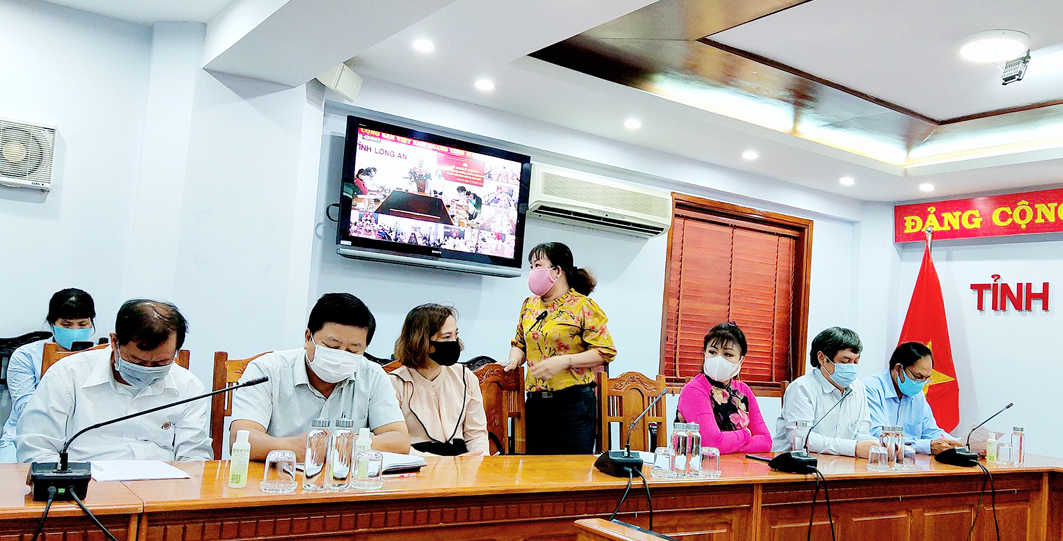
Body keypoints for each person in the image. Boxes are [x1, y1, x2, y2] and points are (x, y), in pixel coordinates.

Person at [17, 299, 211, 463]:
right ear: (114, 342)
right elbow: (36, 448)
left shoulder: (189, 387)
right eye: (137, 361)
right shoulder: (67, 375)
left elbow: (195, 457)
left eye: (161, 362)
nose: (147, 369)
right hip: (85, 485)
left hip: (160, 488)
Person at [230, 293, 409, 461]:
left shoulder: (373, 375)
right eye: (332, 347)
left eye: (353, 350)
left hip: (345, 480)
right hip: (277, 478)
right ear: (308, 337)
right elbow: (241, 438)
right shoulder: (267, 370)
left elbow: (399, 441)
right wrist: (292, 447)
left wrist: (347, 444)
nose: (341, 356)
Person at [505, 242, 616, 454]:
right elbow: (519, 343)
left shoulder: (583, 306)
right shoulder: (529, 305)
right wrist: (514, 360)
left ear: (557, 271)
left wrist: (564, 361)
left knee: (570, 469)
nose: (533, 271)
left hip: (573, 405)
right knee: (535, 469)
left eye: (538, 265)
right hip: (536, 405)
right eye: (531, 266)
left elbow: (605, 350)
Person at [0, 289, 96, 463]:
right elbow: (24, 408)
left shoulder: (100, 356)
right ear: (52, 323)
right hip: (24, 435)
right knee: (11, 474)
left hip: (82, 439)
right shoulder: (26, 355)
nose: (75, 330)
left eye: (82, 324)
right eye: (66, 325)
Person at [390, 304, 488, 456]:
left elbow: (476, 434)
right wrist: (443, 463)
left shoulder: (465, 377)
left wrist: (479, 456)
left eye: (456, 335)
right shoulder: (394, 383)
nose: (455, 342)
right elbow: (394, 446)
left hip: (463, 462)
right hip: (419, 463)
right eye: (447, 337)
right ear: (421, 340)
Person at [772, 327, 878, 457]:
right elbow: (802, 438)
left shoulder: (859, 388)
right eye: (845, 361)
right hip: (796, 463)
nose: (852, 367)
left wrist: (880, 447)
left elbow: (861, 434)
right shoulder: (802, 388)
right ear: (822, 358)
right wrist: (853, 448)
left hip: (842, 463)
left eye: (856, 361)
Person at [677, 323, 771, 454]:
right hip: (699, 465)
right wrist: (746, 434)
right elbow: (712, 443)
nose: (718, 359)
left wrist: (728, 445)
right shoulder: (694, 389)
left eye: (727, 354)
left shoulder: (743, 391)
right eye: (712, 352)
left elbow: (766, 442)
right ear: (704, 353)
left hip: (740, 464)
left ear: (741, 360)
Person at [865, 341, 963, 455]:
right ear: (898, 369)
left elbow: (931, 432)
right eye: (918, 377)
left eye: (926, 378)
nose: (921, 383)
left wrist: (960, 444)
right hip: (879, 461)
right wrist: (927, 446)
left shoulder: (917, 395)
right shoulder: (871, 388)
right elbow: (877, 435)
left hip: (911, 462)